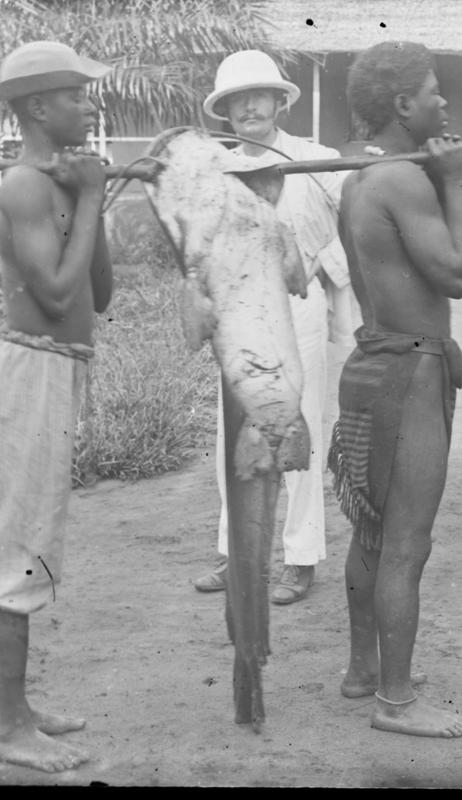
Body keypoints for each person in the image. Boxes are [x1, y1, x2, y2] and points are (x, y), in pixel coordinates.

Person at [0, 40, 112, 772]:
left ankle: (19, 707)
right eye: (76, 96)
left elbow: (100, 293)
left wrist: (97, 197)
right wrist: (85, 197)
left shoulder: (65, 181)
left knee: (37, 545)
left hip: (59, 376)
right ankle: (3, 724)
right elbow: (55, 297)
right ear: (37, 107)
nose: (89, 106)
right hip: (26, 374)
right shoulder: (25, 186)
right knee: (15, 549)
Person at [328, 41, 462, 737]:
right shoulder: (405, 181)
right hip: (409, 373)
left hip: (372, 365)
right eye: (432, 92)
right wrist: (454, 181)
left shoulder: (358, 176)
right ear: (400, 105)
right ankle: (395, 702)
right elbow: (452, 275)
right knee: (405, 545)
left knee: (373, 532)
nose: (443, 104)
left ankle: (363, 671)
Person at [194, 50, 359, 604]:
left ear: (279, 100)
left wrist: (318, 258)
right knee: (233, 432)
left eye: (257, 95)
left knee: (297, 426)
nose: (248, 107)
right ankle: (234, 551)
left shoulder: (316, 159)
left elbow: (356, 215)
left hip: (298, 306)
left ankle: (300, 555)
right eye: (237, 100)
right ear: (226, 109)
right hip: (241, 315)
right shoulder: (216, 167)